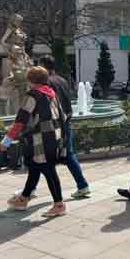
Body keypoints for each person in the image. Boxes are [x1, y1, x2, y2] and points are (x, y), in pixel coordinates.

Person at [3, 66, 67, 217]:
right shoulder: (52, 94)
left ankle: (59, 204)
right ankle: (23, 199)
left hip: (39, 140)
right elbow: (62, 117)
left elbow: (21, 119)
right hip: (53, 137)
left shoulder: (33, 95)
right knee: (34, 168)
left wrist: (7, 140)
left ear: (30, 80)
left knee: (48, 170)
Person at [39, 55, 90, 199]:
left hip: (55, 124)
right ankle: (82, 185)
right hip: (66, 121)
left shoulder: (46, 83)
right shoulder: (62, 80)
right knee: (68, 155)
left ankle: (30, 191)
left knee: (41, 157)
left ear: (43, 66)